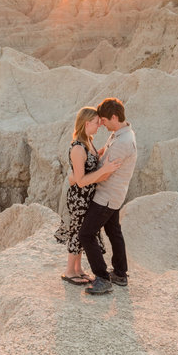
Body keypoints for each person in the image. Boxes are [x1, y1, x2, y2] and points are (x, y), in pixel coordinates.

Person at [55, 106, 121, 285]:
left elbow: (91, 162)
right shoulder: (77, 148)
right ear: (86, 123)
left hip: (88, 196)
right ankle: (69, 271)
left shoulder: (88, 142)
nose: (99, 126)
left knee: (82, 231)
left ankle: (78, 269)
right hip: (79, 198)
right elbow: (81, 180)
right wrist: (105, 170)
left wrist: (104, 152)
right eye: (96, 123)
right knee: (77, 232)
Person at [78, 97, 137, 295]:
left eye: (104, 120)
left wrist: (81, 177)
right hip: (115, 194)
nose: (101, 124)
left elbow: (104, 171)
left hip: (106, 196)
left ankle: (102, 278)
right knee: (114, 232)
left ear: (114, 117)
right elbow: (105, 158)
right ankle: (120, 274)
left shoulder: (123, 141)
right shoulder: (120, 134)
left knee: (86, 234)